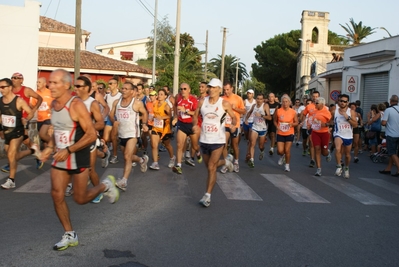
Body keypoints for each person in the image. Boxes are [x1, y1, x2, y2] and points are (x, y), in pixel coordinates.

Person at [39, 69, 119, 251]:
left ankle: (105, 185)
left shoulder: (76, 105)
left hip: (78, 155)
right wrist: (50, 148)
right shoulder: (53, 104)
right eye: (50, 82)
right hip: (61, 156)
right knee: (56, 194)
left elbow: (91, 134)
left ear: (66, 85)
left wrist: (69, 149)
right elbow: (57, 130)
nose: (50, 86)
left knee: (80, 198)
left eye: (55, 82)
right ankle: (70, 234)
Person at [193, 78, 235, 207]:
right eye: (210, 87)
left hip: (218, 139)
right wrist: (195, 125)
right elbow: (195, 115)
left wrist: (233, 125)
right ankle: (226, 162)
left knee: (211, 167)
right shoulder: (202, 101)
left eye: (214, 87)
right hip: (204, 139)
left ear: (219, 89)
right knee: (210, 166)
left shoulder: (224, 104)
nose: (211, 89)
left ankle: (207, 196)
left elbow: (233, 118)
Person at [109, 82, 149, 191]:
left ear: (132, 91)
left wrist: (144, 124)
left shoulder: (137, 103)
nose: (123, 90)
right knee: (129, 157)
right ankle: (141, 160)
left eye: (126, 89)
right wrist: (114, 121)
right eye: (123, 88)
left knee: (127, 156)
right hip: (121, 134)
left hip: (132, 134)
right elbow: (111, 114)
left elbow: (145, 113)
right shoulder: (116, 102)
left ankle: (124, 181)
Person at [0, 78, 34, 189]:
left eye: (3, 87)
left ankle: (11, 180)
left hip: (18, 132)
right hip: (7, 132)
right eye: (0, 87)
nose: (1, 89)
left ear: (10, 88)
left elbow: (30, 113)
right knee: (11, 155)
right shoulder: (0, 101)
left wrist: (26, 120)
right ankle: (32, 151)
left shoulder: (18, 101)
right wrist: (1, 130)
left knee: (11, 154)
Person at [172, 83, 201, 174]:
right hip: (182, 124)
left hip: (192, 124)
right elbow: (175, 108)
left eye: (185, 89)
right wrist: (175, 117)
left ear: (189, 90)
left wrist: (186, 111)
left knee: (195, 145)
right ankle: (179, 165)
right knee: (179, 145)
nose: (183, 91)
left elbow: (196, 114)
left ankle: (198, 152)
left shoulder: (193, 100)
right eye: (181, 89)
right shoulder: (178, 98)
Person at [220, 82, 245, 173]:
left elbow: (244, 111)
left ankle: (236, 162)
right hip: (224, 125)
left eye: (227, 89)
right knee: (224, 144)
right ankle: (226, 163)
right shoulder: (221, 99)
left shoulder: (238, 98)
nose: (226, 91)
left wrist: (235, 109)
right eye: (224, 90)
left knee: (234, 145)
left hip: (235, 125)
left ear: (232, 89)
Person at [332, 94, 357, 179]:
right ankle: (339, 166)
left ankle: (346, 168)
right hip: (338, 133)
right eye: (341, 101)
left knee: (347, 155)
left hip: (348, 135)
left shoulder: (351, 112)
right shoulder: (334, 110)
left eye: (344, 101)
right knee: (338, 148)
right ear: (338, 101)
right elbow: (329, 120)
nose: (342, 103)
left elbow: (355, 125)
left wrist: (347, 117)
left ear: (348, 102)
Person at [149, 89, 175, 170]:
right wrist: (153, 117)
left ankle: (172, 157)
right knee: (154, 145)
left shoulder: (166, 106)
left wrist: (162, 117)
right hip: (156, 128)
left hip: (165, 129)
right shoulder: (155, 104)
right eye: (159, 94)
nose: (159, 96)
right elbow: (154, 114)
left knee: (167, 145)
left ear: (165, 96)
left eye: (161, 94)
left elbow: (170, 117)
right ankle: (155, 163)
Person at [244, 93, 271, 168]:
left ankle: (262, 151)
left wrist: (261, 115)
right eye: (258, 99)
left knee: (261, 146)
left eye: (261, 99)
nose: (259, 100)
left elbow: (269, 117)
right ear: (256, 99)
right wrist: (246, 119)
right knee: (252, 143)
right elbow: (249, 112)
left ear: (263, 100)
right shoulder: (254, 106)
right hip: (255, 127)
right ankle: (252, 160)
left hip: (262, 128)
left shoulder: (265, 106)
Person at [274, 95, 298, 172]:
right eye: (283, 102)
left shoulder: (293, 112)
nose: (285, 103)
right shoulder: (278, 111)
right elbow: (274, 120)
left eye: (286, 101)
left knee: (287, 150)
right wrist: (276, 126)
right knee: (280, 151)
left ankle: (287, 165)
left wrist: (292, 124)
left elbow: (296, 122)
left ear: (289, 102)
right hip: (280, 132)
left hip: (290, 132)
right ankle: (282, 156)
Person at [310, 97, 332, 176]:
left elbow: (331, 122)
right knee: (317, 149)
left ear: (322, 104)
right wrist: (310, 124)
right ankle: (318, 169)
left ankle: (328, 153)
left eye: (317, 103)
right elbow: (310, 119)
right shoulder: (314, 111)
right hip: (315, 132)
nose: (315, 104)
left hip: (324, 133)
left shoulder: (326, 112)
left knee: (324, 152)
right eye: (315, 102)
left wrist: (325, 124)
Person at [300, 91, 322, 167]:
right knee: (312, 143)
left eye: (316, 96)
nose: (315, 98)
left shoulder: (323, 106)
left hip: (321, 128)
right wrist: (303, 122)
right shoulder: (309, 106)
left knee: (319, 146)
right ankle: (312, 160)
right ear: (312, 97)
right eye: (314, 96)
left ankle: (323, 153)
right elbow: (304, 114)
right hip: (312, 127)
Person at [32, 77, 53, 150]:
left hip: (48, 118)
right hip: (39, 118)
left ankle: (55, 145)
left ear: (44, 84)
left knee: (43, 134)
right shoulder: (35, 94)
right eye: (37, 82)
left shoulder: (50, 92)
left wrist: (52, 110)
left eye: (39, 82)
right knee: (43, 138)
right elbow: (33, 105)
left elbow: (56, 103)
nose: (37, 84)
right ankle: (46, 153)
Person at [380, 95, 399, 176]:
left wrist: (382, 122)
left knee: (392, 153)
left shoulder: (388, 110)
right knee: (394, 152)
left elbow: (384, 123)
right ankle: (388, 169)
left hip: (391, 134)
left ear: (390, 101)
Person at [104, 78, 121, 164]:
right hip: (109, 117)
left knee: (114, 138)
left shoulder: (120, 95)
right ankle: (108, 151)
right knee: (106, 138)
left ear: (115, 85)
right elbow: (106, 107)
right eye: (109, 83)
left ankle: (115, 156)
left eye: (111, 83)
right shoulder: (107, 95)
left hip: (117, 118)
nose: (109, 85)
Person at [243, 89, 256, 161]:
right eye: (248, 93)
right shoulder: (245, 101)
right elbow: (242, 109)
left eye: (250, 94)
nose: (249, 95)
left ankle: (248, 154)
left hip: (253, 122)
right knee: (247, 138)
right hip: (246, 122)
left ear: (253, 95)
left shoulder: (255, 102)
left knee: (251, 140)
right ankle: (248, 150)